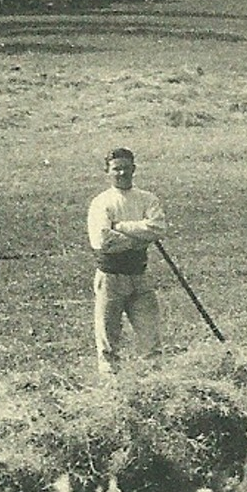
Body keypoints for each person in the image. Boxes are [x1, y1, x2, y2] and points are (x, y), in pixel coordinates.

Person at [87, 147, 169, 373]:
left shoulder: (147, 199)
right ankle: (111, 389)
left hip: (140, 276)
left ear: (134, 169)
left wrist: (120, 227)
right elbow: (103, 240)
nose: (122, 173)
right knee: (108, 340)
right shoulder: (101, 203)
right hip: (110, 277)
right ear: (108, 172)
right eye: (116, 169)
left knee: (150, 337)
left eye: (126, 168)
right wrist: (138, 239)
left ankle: (155, 383)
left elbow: (157, 228)